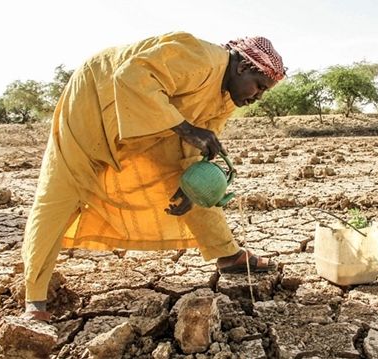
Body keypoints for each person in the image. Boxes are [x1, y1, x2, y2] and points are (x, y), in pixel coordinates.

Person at [21, 32, 286, 321]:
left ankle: (228, 255)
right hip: (95, 99)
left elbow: (198, 145)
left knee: (196, 179)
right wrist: (186, 129)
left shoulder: (227, 97)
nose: (257, 97)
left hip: (153, 119)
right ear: (241, 67)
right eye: (259, 86)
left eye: (264, 92)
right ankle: (35, 298)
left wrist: (190, 184)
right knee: (63, 189)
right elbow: (131, 76)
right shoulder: (200, 57)